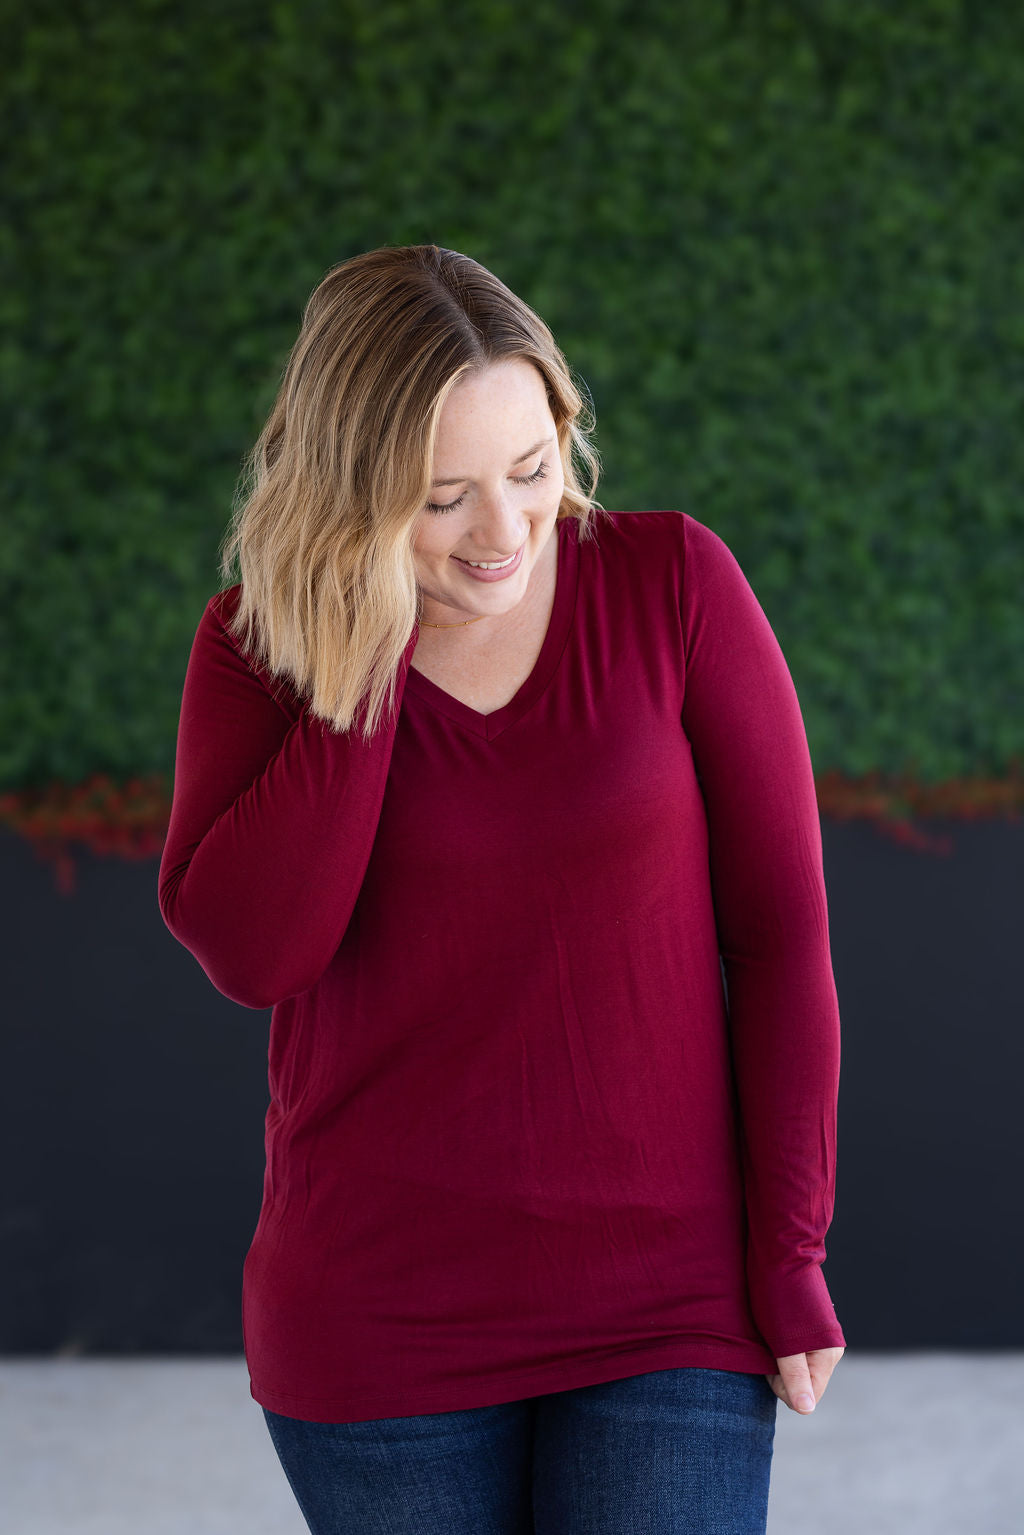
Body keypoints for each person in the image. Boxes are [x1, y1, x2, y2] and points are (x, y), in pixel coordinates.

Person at [157, 243, 846, 1534]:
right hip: (379, 1319)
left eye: (531, 470)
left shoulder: (672, 582)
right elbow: (258, 956)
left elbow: (780, 940)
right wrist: (363, 648)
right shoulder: (258, 650)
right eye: (441, 498)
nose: (504, 532)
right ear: (350, 493)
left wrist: (790, 1253)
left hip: (670, 1304)